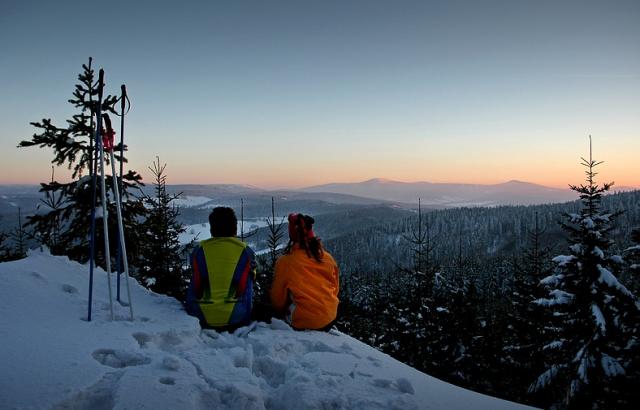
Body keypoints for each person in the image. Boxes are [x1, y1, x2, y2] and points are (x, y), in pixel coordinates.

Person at [186, 207, 256, 331]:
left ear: (212, 228)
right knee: (249, 275)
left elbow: (197, 285)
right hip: (237, 316)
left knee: (196, 273)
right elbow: (247, 283)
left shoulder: (199, 250)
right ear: (235, 228)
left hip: (200, 316)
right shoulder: (246, 251)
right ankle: (245, 316)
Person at [270, 213, 340, 331]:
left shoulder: (286, 261)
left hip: (303, 320)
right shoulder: (327, 258)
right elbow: (335, 289)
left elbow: (278, 301)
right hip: (330, 317)